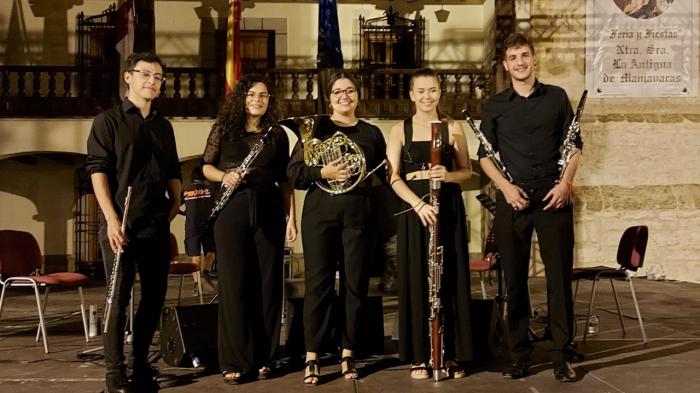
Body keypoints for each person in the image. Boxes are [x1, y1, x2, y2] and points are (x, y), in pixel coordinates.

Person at [477, 33, 583, 382]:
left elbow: (574, 146)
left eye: (525, 55)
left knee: (558, 280)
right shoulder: (494, 105)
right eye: (513, 57)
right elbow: (485, 157)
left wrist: (566, 183)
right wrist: (505, 188)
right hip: (514, 199)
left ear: (533, 58)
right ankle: (519, 354)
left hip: (554, 196)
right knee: (515, 283)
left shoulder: (556, 98)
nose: (520, 62)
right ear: (505, 64)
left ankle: (561, 355)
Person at [87, 52, 181, 393]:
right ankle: (114, 375)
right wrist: (111, 220)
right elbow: (97, 171)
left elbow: (172, 169)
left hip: (156, 224)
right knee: (118, 300)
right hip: (121, 226)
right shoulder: (107, 121)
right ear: (128, 77)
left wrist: (177, 198)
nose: (152, 81)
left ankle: (141, 365)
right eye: (145, 75)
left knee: (154, 298)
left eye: (158, 77)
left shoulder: (163, 126)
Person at [287, 72, 387, 385]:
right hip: (320, 214)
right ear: (329, 98)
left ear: (358, 96)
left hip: (358, 215)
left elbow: (383, 175)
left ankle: (348, 352)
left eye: (350, 91)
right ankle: (313, 355)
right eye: (338, 92)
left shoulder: (371, 133)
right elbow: (294, 174)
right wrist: (324, 170)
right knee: (318, 284)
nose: (344, 96)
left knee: (355, 285)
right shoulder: (316, 128)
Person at [201, 74, 297, 384]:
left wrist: (291, 218)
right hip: (232, 211)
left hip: (268, 208)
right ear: (242, 98)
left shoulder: (277, 135)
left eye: (264, 96)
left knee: (268, 285)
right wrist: (223, 176)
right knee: (234, 285)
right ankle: (234, 360)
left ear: (270, 101)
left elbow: (285, 181)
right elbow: (205, 166)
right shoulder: (223, 130)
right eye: (252, 94)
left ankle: (265, 357)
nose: (258, 100)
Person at [386, 68, 474, 380]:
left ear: (440, 91)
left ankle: (450, 352)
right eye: (420, 91)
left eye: (432, 90)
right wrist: (417, 203)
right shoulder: (400, 129)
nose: (427, 96)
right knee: (416, 278)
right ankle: (420, 356)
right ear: (411, 94)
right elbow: (393, 177)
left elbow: (466, 171)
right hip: (416, 209)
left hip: (446, 205)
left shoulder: (453, 127)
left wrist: (448, 176)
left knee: (448, 275)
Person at [181, 166, 216, 294]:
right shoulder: (211, 189)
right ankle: (205, 272)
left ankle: (197, 285)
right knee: (211, 252)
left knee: (195, 255)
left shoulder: (186, 190)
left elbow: (176, 204)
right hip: (208, 224)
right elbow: (217, 205)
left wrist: (185, 213)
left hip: (192, 226)